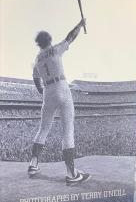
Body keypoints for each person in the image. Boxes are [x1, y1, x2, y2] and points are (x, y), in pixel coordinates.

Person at [28, 19, 91, 186]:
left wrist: (42, 90)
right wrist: (79, 25)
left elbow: (35, 78)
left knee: (43, 129)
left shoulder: (37, 59)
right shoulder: (56, 49)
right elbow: (70, 37)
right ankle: (72, 174)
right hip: (61, 88)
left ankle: (33, 165)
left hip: (48, 92)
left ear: (38, 44)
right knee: (67, 132)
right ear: (49, 40)